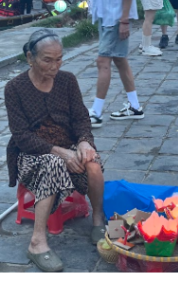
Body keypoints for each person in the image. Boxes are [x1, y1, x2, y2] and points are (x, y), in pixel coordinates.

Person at [6, 29, 107, 270]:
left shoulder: (67, 80)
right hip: (32, 154)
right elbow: (21, 136)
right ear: (30, 58)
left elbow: (81, 118)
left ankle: (97, 220)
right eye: (47, 60)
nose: (55, 66)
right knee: (52, 163)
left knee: (92, 160)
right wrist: (60, 152)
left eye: (59, 59)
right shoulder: (14, 88)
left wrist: (83, 141)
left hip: (69, 145)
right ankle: (37, 243)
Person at [75, 0, 144, 127]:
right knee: (120, 59)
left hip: (116, 15)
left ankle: (96, 113)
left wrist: (124, 20)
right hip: (104, 13)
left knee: (102, 61)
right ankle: (135, 106)